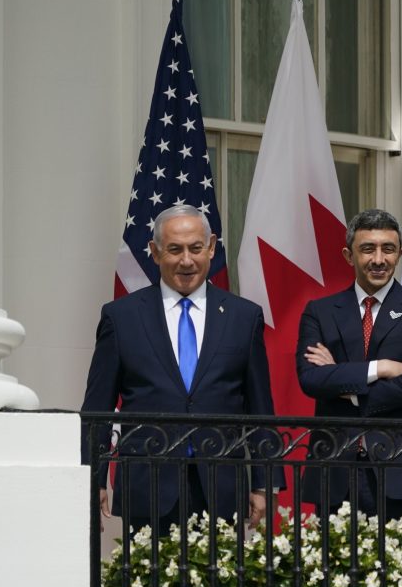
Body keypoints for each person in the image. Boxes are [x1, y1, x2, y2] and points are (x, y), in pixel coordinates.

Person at [81, 204, 277, 532]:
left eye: (195, 248)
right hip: (148, 484)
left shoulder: (244, 317)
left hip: (220, 486)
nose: (187, 261)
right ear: (155, 252)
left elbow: (260, 407)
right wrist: (92, 478)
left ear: (211, 248)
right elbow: (97, 407)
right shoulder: (122, 317)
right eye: (174, 250)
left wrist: (264, 481)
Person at [297, 209, 402, 518]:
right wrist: (381, 368)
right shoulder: (320, 312)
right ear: (349, 255)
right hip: (336, 469)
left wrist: (342, 382)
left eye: (388, 249)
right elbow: (311, 379)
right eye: (368, 249)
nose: (379, 259)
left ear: (400, 254)